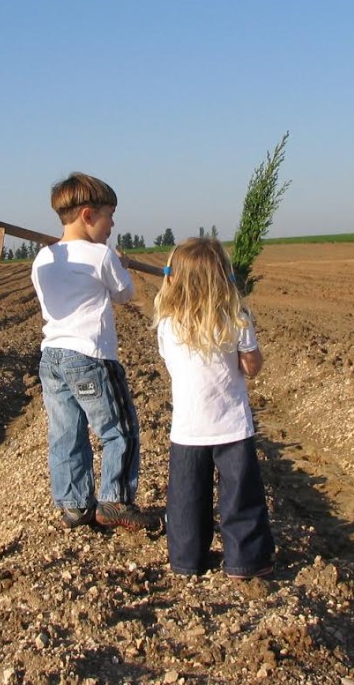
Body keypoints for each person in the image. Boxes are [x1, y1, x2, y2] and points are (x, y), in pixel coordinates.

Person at [31, 172, 158, 531]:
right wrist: (120, 264)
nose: (113, 223)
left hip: (52, 358)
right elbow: (124, 295)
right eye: (110, 215)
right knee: (120, 429)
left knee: (65, 433)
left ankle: (74, 504)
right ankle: (115, 500)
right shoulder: (101, 256)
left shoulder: (43, 259)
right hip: (91, 357)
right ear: (88, 215)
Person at [152, 237, 275, 578]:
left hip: (188, 428)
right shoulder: (236, 316)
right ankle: (245, 561)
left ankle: (186, 560)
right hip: (232, 425)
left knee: (186, 498)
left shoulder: (167, 323)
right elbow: (251, 366)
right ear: (223, 276)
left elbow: (170, 363)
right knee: (240, 496)